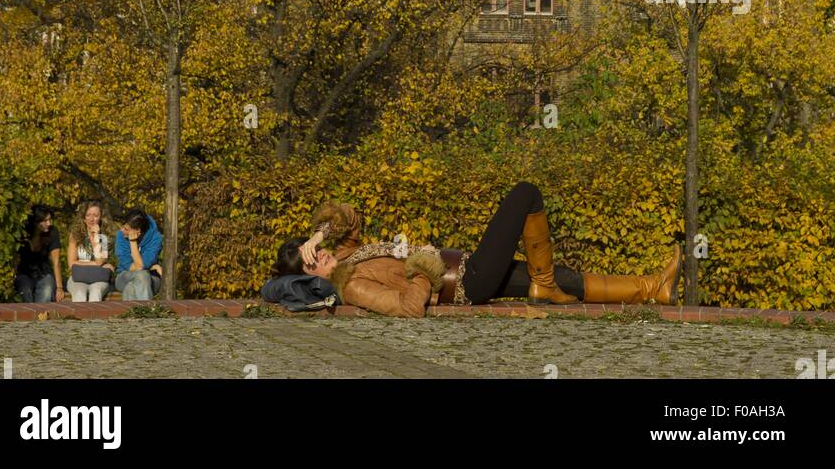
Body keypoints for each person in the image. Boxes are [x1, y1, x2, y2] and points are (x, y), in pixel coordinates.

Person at [274, 183, 682, 316]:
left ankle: (653, 288)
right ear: (311, 279)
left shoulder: (347, 255)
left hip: (468, 265)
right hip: (470, 282)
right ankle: (543, 285)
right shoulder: (351, 287)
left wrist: (318, 234)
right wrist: (422, 264)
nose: (322, 258)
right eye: (314, 262)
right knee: (525, 194)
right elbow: (407, 308)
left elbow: (348, 216)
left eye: (317, 252)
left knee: (567, 279)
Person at [66, 198, 115, 302]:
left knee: (96, 293)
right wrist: (96, 264)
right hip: (77, 278)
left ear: (101, 217)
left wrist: (96, 237)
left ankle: (94, 319)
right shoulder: (75, 236)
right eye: (88, 215)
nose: (91, 219)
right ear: (83, 218)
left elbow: (100, 260)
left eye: (96, 216)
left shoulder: (104, 237)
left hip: (98, 278)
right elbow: (71, 264)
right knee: (79, 295)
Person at [15, 204, 65, 303]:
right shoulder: (23, 233)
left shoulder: (52, 232)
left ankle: (41, 317)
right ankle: (27, 318)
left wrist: (59, 287)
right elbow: (15, 257)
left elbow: (56, 262)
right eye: (45, 221)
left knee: (47, 290)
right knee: (25, 292)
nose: (49, 223)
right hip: (24, 273)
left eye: (50, 220)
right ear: (35, 222)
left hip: (44, 274)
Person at [114, 209, 163, 301]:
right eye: (123, 227)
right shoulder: (121, 236)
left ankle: (134, 315)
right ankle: (148, 311)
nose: (122, 230)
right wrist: (152, 267)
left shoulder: (155, 238)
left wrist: (133, 242)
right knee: (141, 275)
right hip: (124, 276)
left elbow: (141, 266)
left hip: (151, 279)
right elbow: (132, 266)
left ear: (138, 231)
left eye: (126, 229)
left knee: (131, 288)